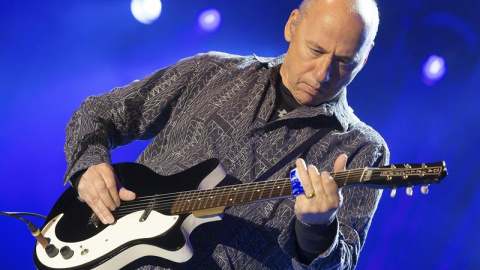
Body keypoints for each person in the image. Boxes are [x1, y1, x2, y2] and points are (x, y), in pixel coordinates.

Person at [64, 0, 389, 268]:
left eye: (345, 62)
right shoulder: (212, 71)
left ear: (367, 55)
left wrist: (318, 229)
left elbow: (341, 263)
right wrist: (89, 166)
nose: (323, 74)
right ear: (292, 25)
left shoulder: (361, 149)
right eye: (315, 50)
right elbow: (99, 113)